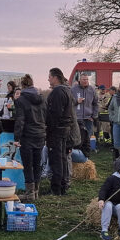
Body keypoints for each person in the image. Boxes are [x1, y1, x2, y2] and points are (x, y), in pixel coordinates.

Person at [45, 68, 80, 196]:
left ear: (55, 77)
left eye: (49, 77)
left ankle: (56, 188)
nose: (48, 79)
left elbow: (55, 114)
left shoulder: (57, 92)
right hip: (65, 129)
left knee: (57, 159)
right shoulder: (67, 90)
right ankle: (63, 185)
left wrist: (48, 129)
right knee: (63, 158)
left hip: (57, 130)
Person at [13, 73, 46, 202]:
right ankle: (36, 191)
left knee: (28, 165)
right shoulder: (41, 98)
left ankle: (29, 193)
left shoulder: (21, 100)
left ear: (22, 86)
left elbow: (20, 120)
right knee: (37, 164)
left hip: (28, 135)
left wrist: (17, 138)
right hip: (40, 133)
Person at [71, 74, 98, 151]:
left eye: (86, 79)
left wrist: (94, 116)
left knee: (88, 136)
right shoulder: (73, 89)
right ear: (80, 80)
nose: (85, 81)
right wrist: (77, 101)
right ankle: (77, 151)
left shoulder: (92, 89)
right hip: (77, 118)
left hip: (88, 118)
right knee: (77, 136)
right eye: (83, 79)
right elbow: (68, 102)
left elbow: (96, 103)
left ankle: (87, 152)